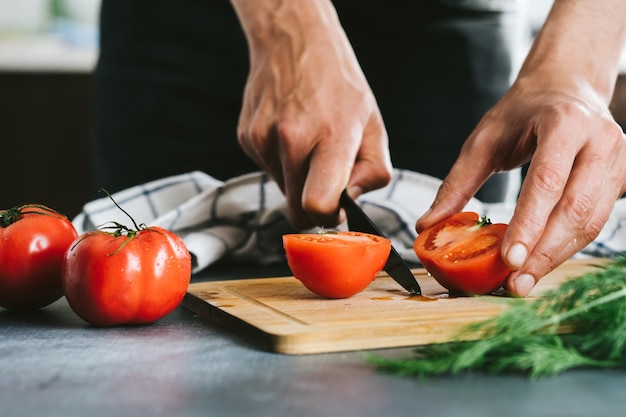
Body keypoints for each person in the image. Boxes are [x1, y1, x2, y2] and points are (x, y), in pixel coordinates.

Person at [93, 0, 626, 297]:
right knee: (160, 301)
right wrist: (284, 21)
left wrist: (573, 69)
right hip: (203, 24)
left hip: (448, 30)